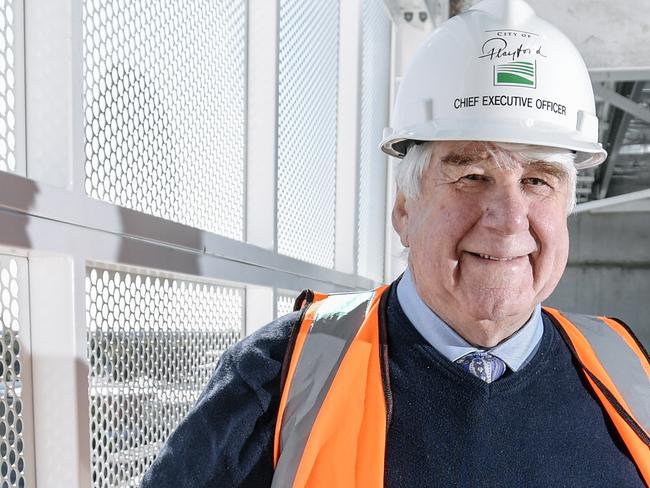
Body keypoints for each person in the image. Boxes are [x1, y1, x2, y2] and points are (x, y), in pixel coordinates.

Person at [141, 0, 649, 486]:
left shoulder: (629, 371)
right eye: (472, 175)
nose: (509, 220)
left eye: (538, 182)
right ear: (404, 210)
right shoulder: (282, 376)